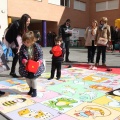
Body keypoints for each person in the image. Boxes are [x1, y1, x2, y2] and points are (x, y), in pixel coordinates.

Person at [19, 31, 45, 97]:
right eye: (24, 42)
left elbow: (41, 56)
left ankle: (34, 90)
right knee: (27, 79)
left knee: (33, 79)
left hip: (35, 66)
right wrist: (24, 60)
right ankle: (31, 89)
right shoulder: (23, 47)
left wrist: (39, 62)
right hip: (26, 66)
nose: (25, 44)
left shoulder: (37, 46)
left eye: (27, 42)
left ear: (32, 41)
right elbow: (21, 55)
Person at [5, 14, 31, 78]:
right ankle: (12, 72)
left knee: (20, 55)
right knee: (17, 56)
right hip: (12, 40)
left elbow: (24, 35)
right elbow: (14, 37)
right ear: (24, 21)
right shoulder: (16, 25)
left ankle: (22, 71)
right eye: (27, 21)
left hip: (19, 39)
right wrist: (18, 47)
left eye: (29, 21)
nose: (29, 22)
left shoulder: (24, 26)